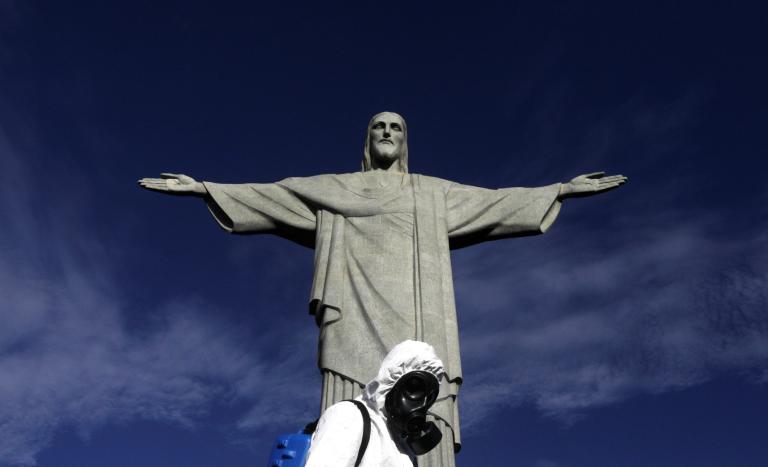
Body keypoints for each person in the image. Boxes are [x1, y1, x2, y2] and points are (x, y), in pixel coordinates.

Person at [139, 111, 627, 467]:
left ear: (406, 140)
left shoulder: (430, 193)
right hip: (353, 312)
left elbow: (493, 204)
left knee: (420, 393)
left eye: (396, 127)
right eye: (379, 127)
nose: (388, 133)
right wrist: (205, 188)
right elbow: (274, 195)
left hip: (418, 315)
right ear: (367, 139)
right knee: (347, 415)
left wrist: (558, 190)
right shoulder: (334, 188)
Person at [305, 340, 445, 467]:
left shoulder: (403, 448)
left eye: (429, 397)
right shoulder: (349, 415)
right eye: (415, 388)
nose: (422, 404)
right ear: (393, 381)